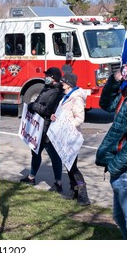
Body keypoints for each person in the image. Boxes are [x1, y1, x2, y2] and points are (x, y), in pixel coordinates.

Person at [96, 48, 127, 239]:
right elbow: (106, 104)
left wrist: (115, 166)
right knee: (121, 218)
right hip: (126, 172)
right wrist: (114, 80)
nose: (126, 67)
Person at [20, 67, 64, 192]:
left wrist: (34, 105)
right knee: (35, 152)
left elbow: (48, 110)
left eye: (48, 76)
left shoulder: (57, 92)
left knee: (54, 156)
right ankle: (31, 177)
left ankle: (58, 183)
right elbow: (41, 103)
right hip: (39, 127)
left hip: (48, 129)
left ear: (54, 78)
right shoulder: (47, 88)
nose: (45, 78)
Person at [51, 72, 90, 206]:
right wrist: (55, 118)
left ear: (68, 84)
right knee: (68, 165)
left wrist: (66, 127)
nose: (61, 84)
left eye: (63, 82)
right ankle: (74, 191)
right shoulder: (67, 96)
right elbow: (63, 113)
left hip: (72, 137)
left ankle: (83, 195)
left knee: (73, 167)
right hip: (65, 136)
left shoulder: (76, 97)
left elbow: (79, 118)